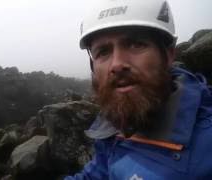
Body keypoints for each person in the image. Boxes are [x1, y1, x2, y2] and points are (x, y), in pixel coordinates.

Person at [65, 0, 212, 179]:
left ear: (169, 54)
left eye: (136, 44)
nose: (117, 64)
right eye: (103, 52)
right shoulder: (113, 121)